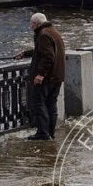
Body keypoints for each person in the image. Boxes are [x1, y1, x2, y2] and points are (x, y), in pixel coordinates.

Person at [15, 12, 65, 141]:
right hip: (57, 76)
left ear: (36, 24)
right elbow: (42, 51)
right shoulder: (53, 32)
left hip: (47, 78)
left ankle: (43, 133)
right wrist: (25, 53)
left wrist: (41, 75)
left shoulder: (43, 35)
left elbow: (48, 57)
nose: (30, 27)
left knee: (39, 103)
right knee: (51, 104)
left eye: (31, 24)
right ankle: (50, 132)